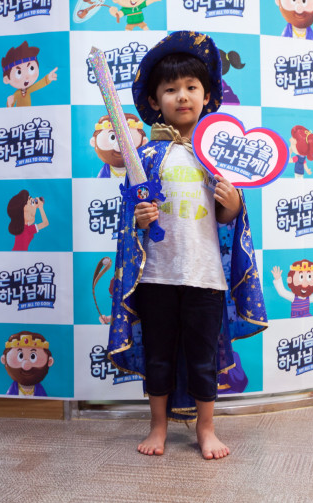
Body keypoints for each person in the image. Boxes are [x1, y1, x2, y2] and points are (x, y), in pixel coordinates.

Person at [107, 31, 267, 460]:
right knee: (158, 356)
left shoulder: (216, 156)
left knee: (202, 358)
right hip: (156, 276)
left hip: (206, 276)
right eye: (171, 89)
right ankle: (157, 426)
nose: (182, 96)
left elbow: (230, 221)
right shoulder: (146, 157)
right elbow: (132, 218)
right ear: (154, 100)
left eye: (192, 87)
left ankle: (206, 429)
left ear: (207, 95)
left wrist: (233, 204)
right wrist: (140, 218)